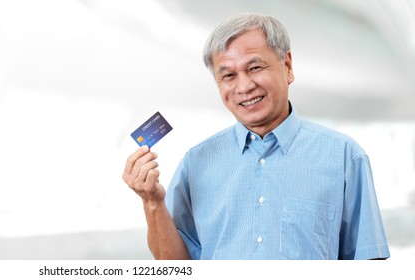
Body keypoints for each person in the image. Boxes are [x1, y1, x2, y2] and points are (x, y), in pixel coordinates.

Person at [122, 13, 390, 260]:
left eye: (255, 68)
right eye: (228, 75)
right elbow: (175, 267)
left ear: (287, 66)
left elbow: (369, 260)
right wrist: (152, 201)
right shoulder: (196, 162)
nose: (244, 87)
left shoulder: (343, 156)